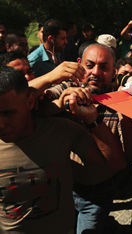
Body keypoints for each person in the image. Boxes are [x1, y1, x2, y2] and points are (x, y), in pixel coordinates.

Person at [43, 43, 132, 233]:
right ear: (79, 65)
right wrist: (60, 103)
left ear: (114, 73)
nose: (95, 72)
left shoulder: (124, 100)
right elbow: (35, 107)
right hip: (62, 189)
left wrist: (127, 113)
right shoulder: (67, 87)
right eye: (90, 65)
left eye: (104, 67)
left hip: (99, 192)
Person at [0, 66, 125, 234]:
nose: (1, 124)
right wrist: (51, 76)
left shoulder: (62, 131)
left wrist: (92, 119)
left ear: (30, 101)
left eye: (8, 113)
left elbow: (115, 162)